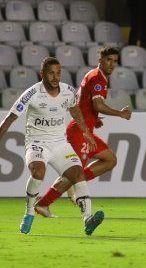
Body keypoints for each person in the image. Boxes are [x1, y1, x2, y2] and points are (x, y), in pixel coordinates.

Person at [0, 57, 104, 235]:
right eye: (51, 73)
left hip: (60, 144)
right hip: (37, 143)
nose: (56, 77)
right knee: (38, 172)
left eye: (58, 73)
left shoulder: (67, 91)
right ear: (42, 74)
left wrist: (85, 131)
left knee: (78, 173)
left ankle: (88, 219)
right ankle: (29, 212)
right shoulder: (32, 94)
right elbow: (10, 118)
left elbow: (74, 109)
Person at [34, 46, 132, 217]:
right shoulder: (98, 78)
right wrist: (120, 114)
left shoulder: (94, 75)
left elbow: (86, 104)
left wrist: (95, 119)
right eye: (108, 60)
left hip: (85, 129)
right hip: (80, 131)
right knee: (74, 172)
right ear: (100, 60)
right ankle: (43, 204)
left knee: (110, 160)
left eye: (115, 61)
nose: (112, 64)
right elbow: (98, 105)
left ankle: (74, 183)